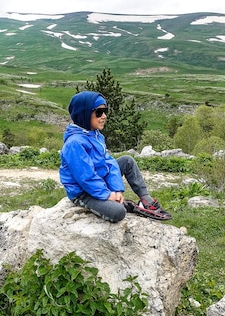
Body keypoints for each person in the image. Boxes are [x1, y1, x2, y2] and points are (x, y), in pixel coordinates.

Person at [59, 91, 172, 223]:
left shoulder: (95, 135)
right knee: (118, 212)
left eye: (105, 111)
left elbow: (109, 162)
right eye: (99, 112)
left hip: (98, 180)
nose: (104, 116)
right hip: (83, 192)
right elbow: (86, 177)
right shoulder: (75, 143)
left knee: (127, 161)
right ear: (84, 113)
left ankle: (146, 200)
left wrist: (116, 189)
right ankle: (125, 206)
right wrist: (108, 194)